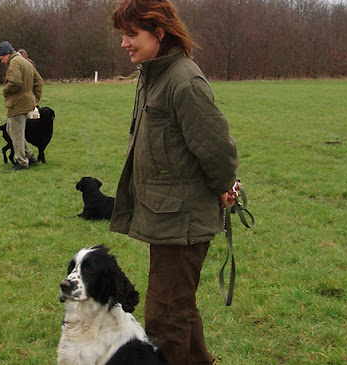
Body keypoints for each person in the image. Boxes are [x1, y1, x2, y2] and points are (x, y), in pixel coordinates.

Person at [109, 1, 239, 364]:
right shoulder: (154, 75)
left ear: (159, 33)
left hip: (183, 223)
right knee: (179, 308)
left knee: (166, 318)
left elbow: (218, 153)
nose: (124, 43)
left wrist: (222, 186)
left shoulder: (184, 81)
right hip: (167, 218)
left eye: (131, 34)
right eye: (123, 34)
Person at [0, 41, 43, 170]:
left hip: (18, 103)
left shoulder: (14, 63)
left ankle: (22, 162)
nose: (2, 61)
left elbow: (16, 82)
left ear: (7, 54)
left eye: (2, 58)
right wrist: (35, 98)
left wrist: (5, 90)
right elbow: (39, 81)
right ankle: (29, 156)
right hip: (27, 101)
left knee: (16, 132)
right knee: (10, 129)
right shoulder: (26, 62)